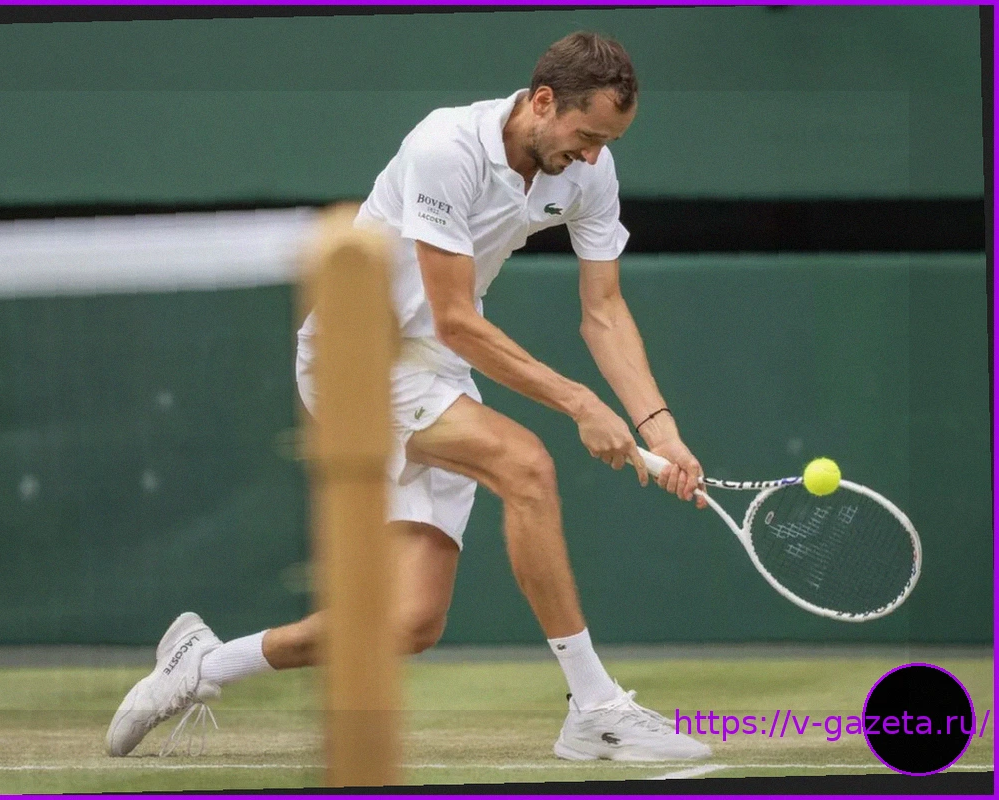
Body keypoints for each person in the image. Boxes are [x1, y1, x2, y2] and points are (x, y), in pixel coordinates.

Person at [107, 31, 711, 763]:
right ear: (543, 102)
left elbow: (604, 311)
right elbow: (454, 317)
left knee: (407, 624)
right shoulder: (445, 147)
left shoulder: (590, 172)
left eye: (606, 143)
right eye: (586, 137)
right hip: (358, 356)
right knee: (526, 466)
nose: (592, 157)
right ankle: (596, 709)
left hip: (439, 372)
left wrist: (661, 430)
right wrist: (582, 404)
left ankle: (201, 666)